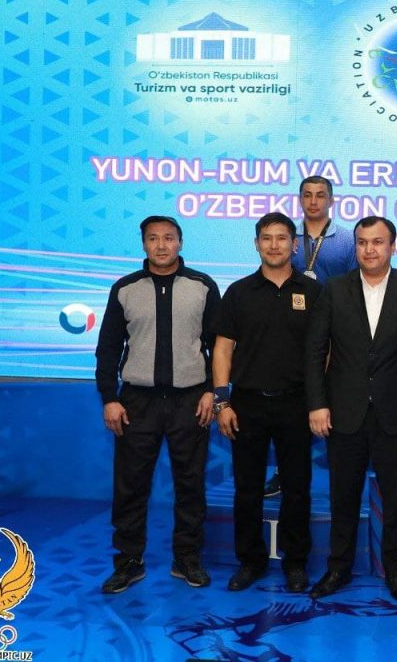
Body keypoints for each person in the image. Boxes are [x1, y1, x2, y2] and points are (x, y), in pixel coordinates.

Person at [306, 216, 397, 603]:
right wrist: (317, 404)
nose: (369, 249)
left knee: (395, 499)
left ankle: (395, 572)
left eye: (378, 242)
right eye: (362, 242)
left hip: (396, 416)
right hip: (343, 413)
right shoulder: (334, 290)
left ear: (392, 247)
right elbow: (314, 351)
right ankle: (338, 568)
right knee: (343, 497)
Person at [95, 215, 220, 594]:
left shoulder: (203, 286)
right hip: (137, 402)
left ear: (180, 242)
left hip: (191, 399)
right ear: (144, 244)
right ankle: (128, 562)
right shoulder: (125, 289)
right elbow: (108, 349)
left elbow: (219, 347)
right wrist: (110, 399)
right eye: (153, 238)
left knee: (190, 483)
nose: (161, 245)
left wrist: (213, 391)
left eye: (168, 238)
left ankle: (187, 559)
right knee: (130, 486)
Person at [211, 213, 321, 593]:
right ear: (256, 244)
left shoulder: (313, 292)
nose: (274, 245)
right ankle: (250, 561)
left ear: (295, 244)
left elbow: (324, 351)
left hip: (297, 404)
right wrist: (222, 402)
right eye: (267, 238)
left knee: (297, 488)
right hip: (247, 405)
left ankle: (296, 563)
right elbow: (222, 349)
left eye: (282, 238)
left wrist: (319, 399)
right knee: (247, 488)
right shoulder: (238, 292)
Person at [264, 175, 357, 498]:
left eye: (320, 195)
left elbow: (354, 286)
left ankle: (342, 475)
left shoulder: (347, 240)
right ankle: (281, 471)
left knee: (334, 401)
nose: (313, 201)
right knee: (291, 405)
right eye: (307, 195)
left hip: (335, 330)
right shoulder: (287, 236)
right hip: (292, 330)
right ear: (300, 199)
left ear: (331, 200)